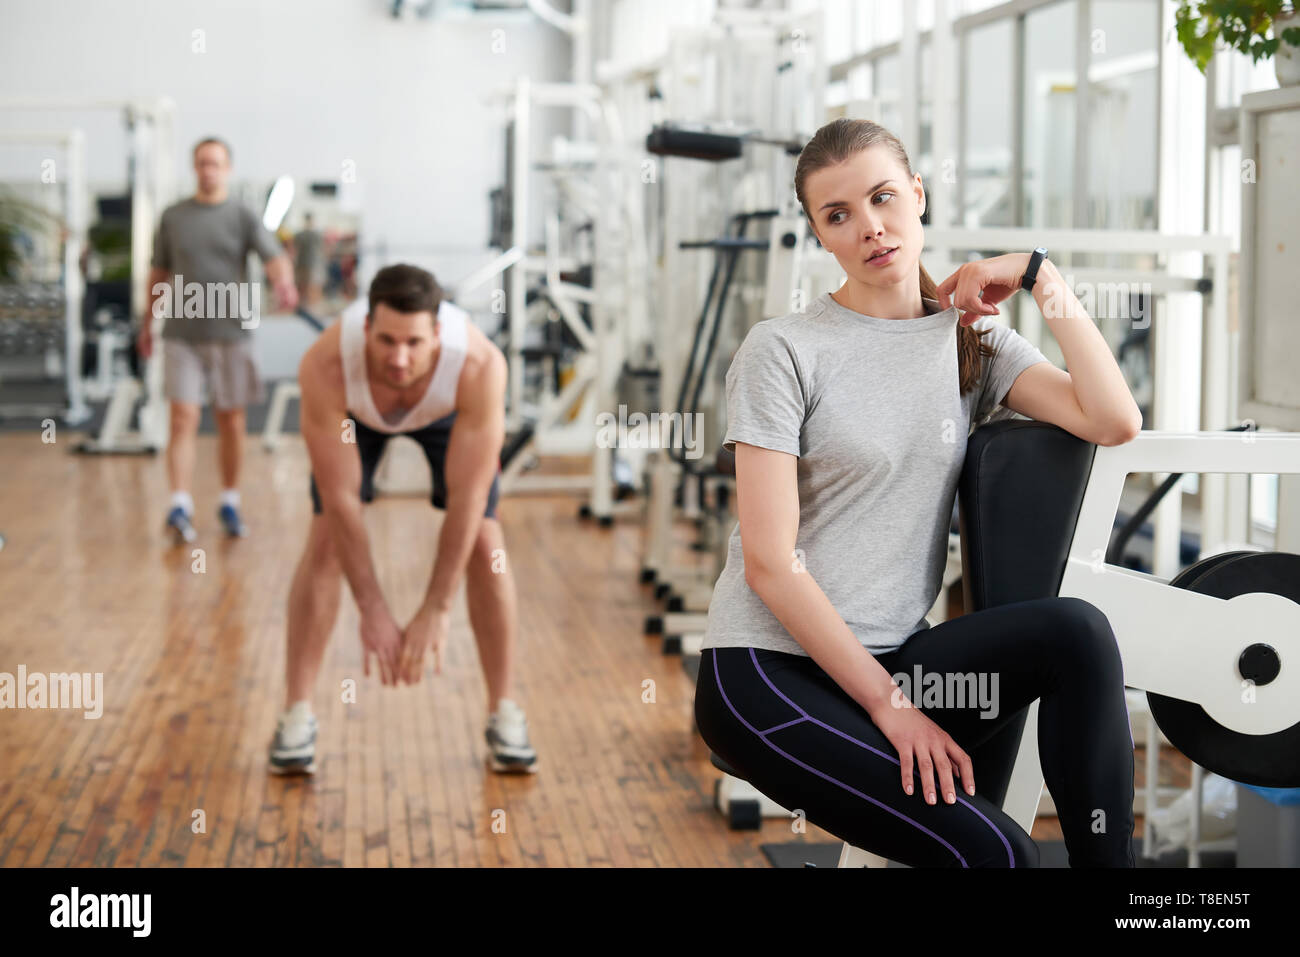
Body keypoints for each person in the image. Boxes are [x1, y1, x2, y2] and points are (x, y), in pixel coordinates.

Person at [693, 118, 1144, 868]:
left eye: (883, 198)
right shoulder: (784, 350)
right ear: (820, 234)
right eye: (839, 215)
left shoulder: (975, 343)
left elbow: (1113, 418)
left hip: (897, 658)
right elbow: (770, 563)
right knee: (999, 855)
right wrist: (890, 706)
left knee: (1079, 633)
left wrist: (1042, 278)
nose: (870, 227)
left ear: (918, 196)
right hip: (768, 672)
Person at [269, 263, 537, 775]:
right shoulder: (324, 364)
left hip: (445, 413)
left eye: (414, 343)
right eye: (386, 340)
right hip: (356, 416)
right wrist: (371, 608)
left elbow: (468, 497)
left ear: (438, 333)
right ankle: (296, 714)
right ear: (365, 327)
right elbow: (342, 498)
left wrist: (436, 608)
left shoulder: (479, 366)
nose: (398, 358)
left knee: (485, 540)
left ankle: (504, 711)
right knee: (326, 536)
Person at [139, 137, 299, 543]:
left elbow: (274, 258)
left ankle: (229, 499)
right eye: (201, 163)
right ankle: (179, 503)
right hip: (182, 334)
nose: (208, 170)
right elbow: (158, 274)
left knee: (231, 419)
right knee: (183, 418)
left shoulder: (242, 215)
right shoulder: (173, 216)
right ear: (194, 168)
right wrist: (147, 324)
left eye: (215, 163)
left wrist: (284, 284)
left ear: (228, 168)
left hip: (231, 334)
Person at [293, 213, 325, 307]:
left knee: (313, 285)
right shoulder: (300, 235)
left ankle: (312, 305)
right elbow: (295, 248)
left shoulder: (316, 235)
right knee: (302, 285)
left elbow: (321, 249)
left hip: (313, 264)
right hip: (302, 263)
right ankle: (303, 305)